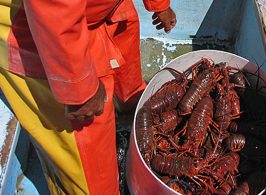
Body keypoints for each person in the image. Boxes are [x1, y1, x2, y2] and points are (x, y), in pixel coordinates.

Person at [0, 0, 176, 194]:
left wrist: (159, 4)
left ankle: (126, 116)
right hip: (41, 27)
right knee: (89, 164)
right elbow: (53, 7)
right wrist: (78, 87)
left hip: (100, 8)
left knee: (129, 86)